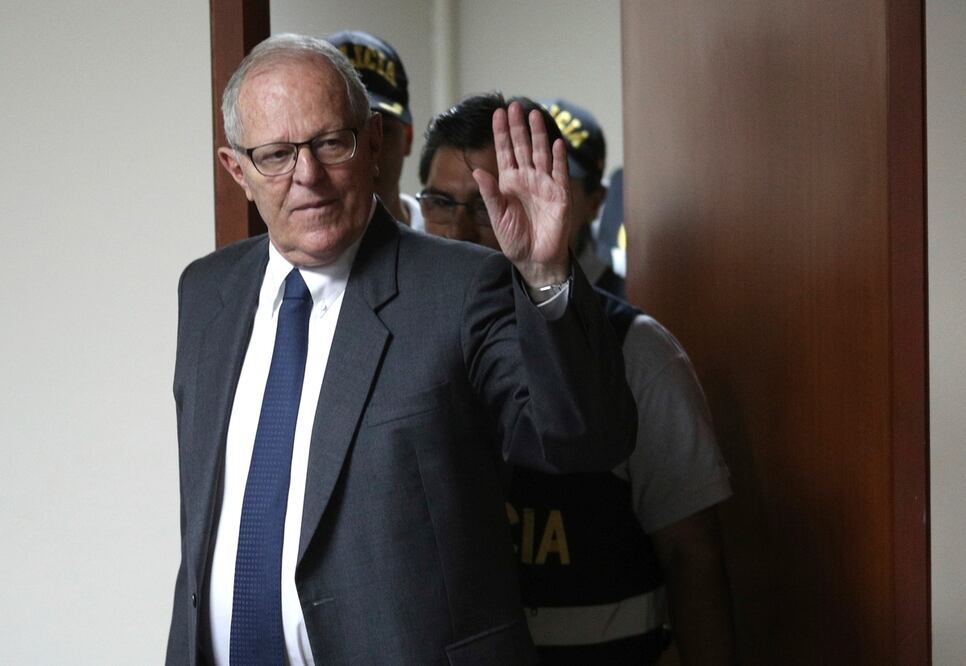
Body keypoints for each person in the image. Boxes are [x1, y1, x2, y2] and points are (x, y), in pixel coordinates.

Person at [165, 35, 636, 665]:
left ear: (375, 144)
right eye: (276, 154)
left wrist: (546, 274)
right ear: (237, 170)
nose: (308, 176)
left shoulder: (463, 287)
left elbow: (585, 439)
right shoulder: (206, 292)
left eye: (331, 143)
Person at [419, 92, 737, 665]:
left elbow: (692, 557)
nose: (462, 230)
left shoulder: (635, 352)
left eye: (491, 203)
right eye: (442, 202)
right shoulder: (401, 344)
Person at [327, 30, 424, 230]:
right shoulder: (278, 257)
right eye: (339, 137)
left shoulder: (454, 241)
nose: (367, 150)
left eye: (383, 130)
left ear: (408, 137)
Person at [542, 98, 625, 298]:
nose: (533, 195)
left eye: (554, 181)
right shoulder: (486, 285)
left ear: (595, 202)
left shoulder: (622, 311)